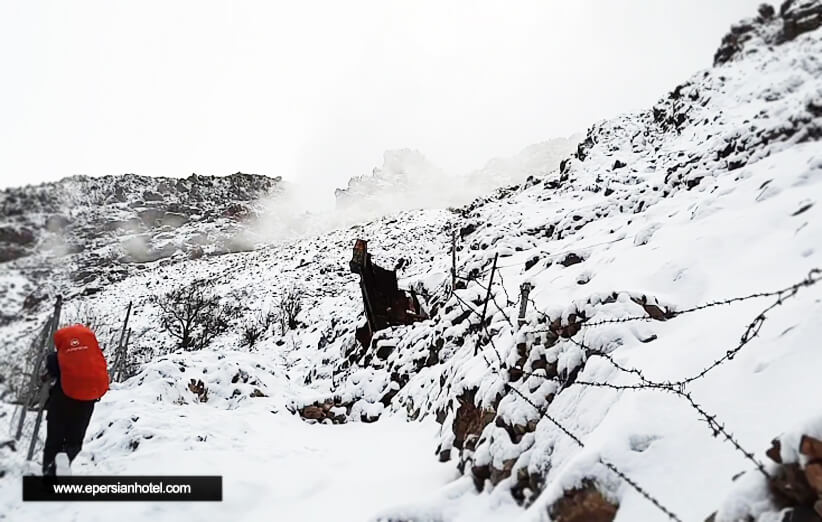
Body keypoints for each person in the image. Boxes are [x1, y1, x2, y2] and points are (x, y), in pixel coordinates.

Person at [41, 324, 109, 476]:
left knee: (54, 439)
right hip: (86, 403)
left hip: (61, 401)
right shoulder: (94, 356)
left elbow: (47, 374)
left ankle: (48, 471)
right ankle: (62, 464)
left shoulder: (55, 358)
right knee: (74, 441)